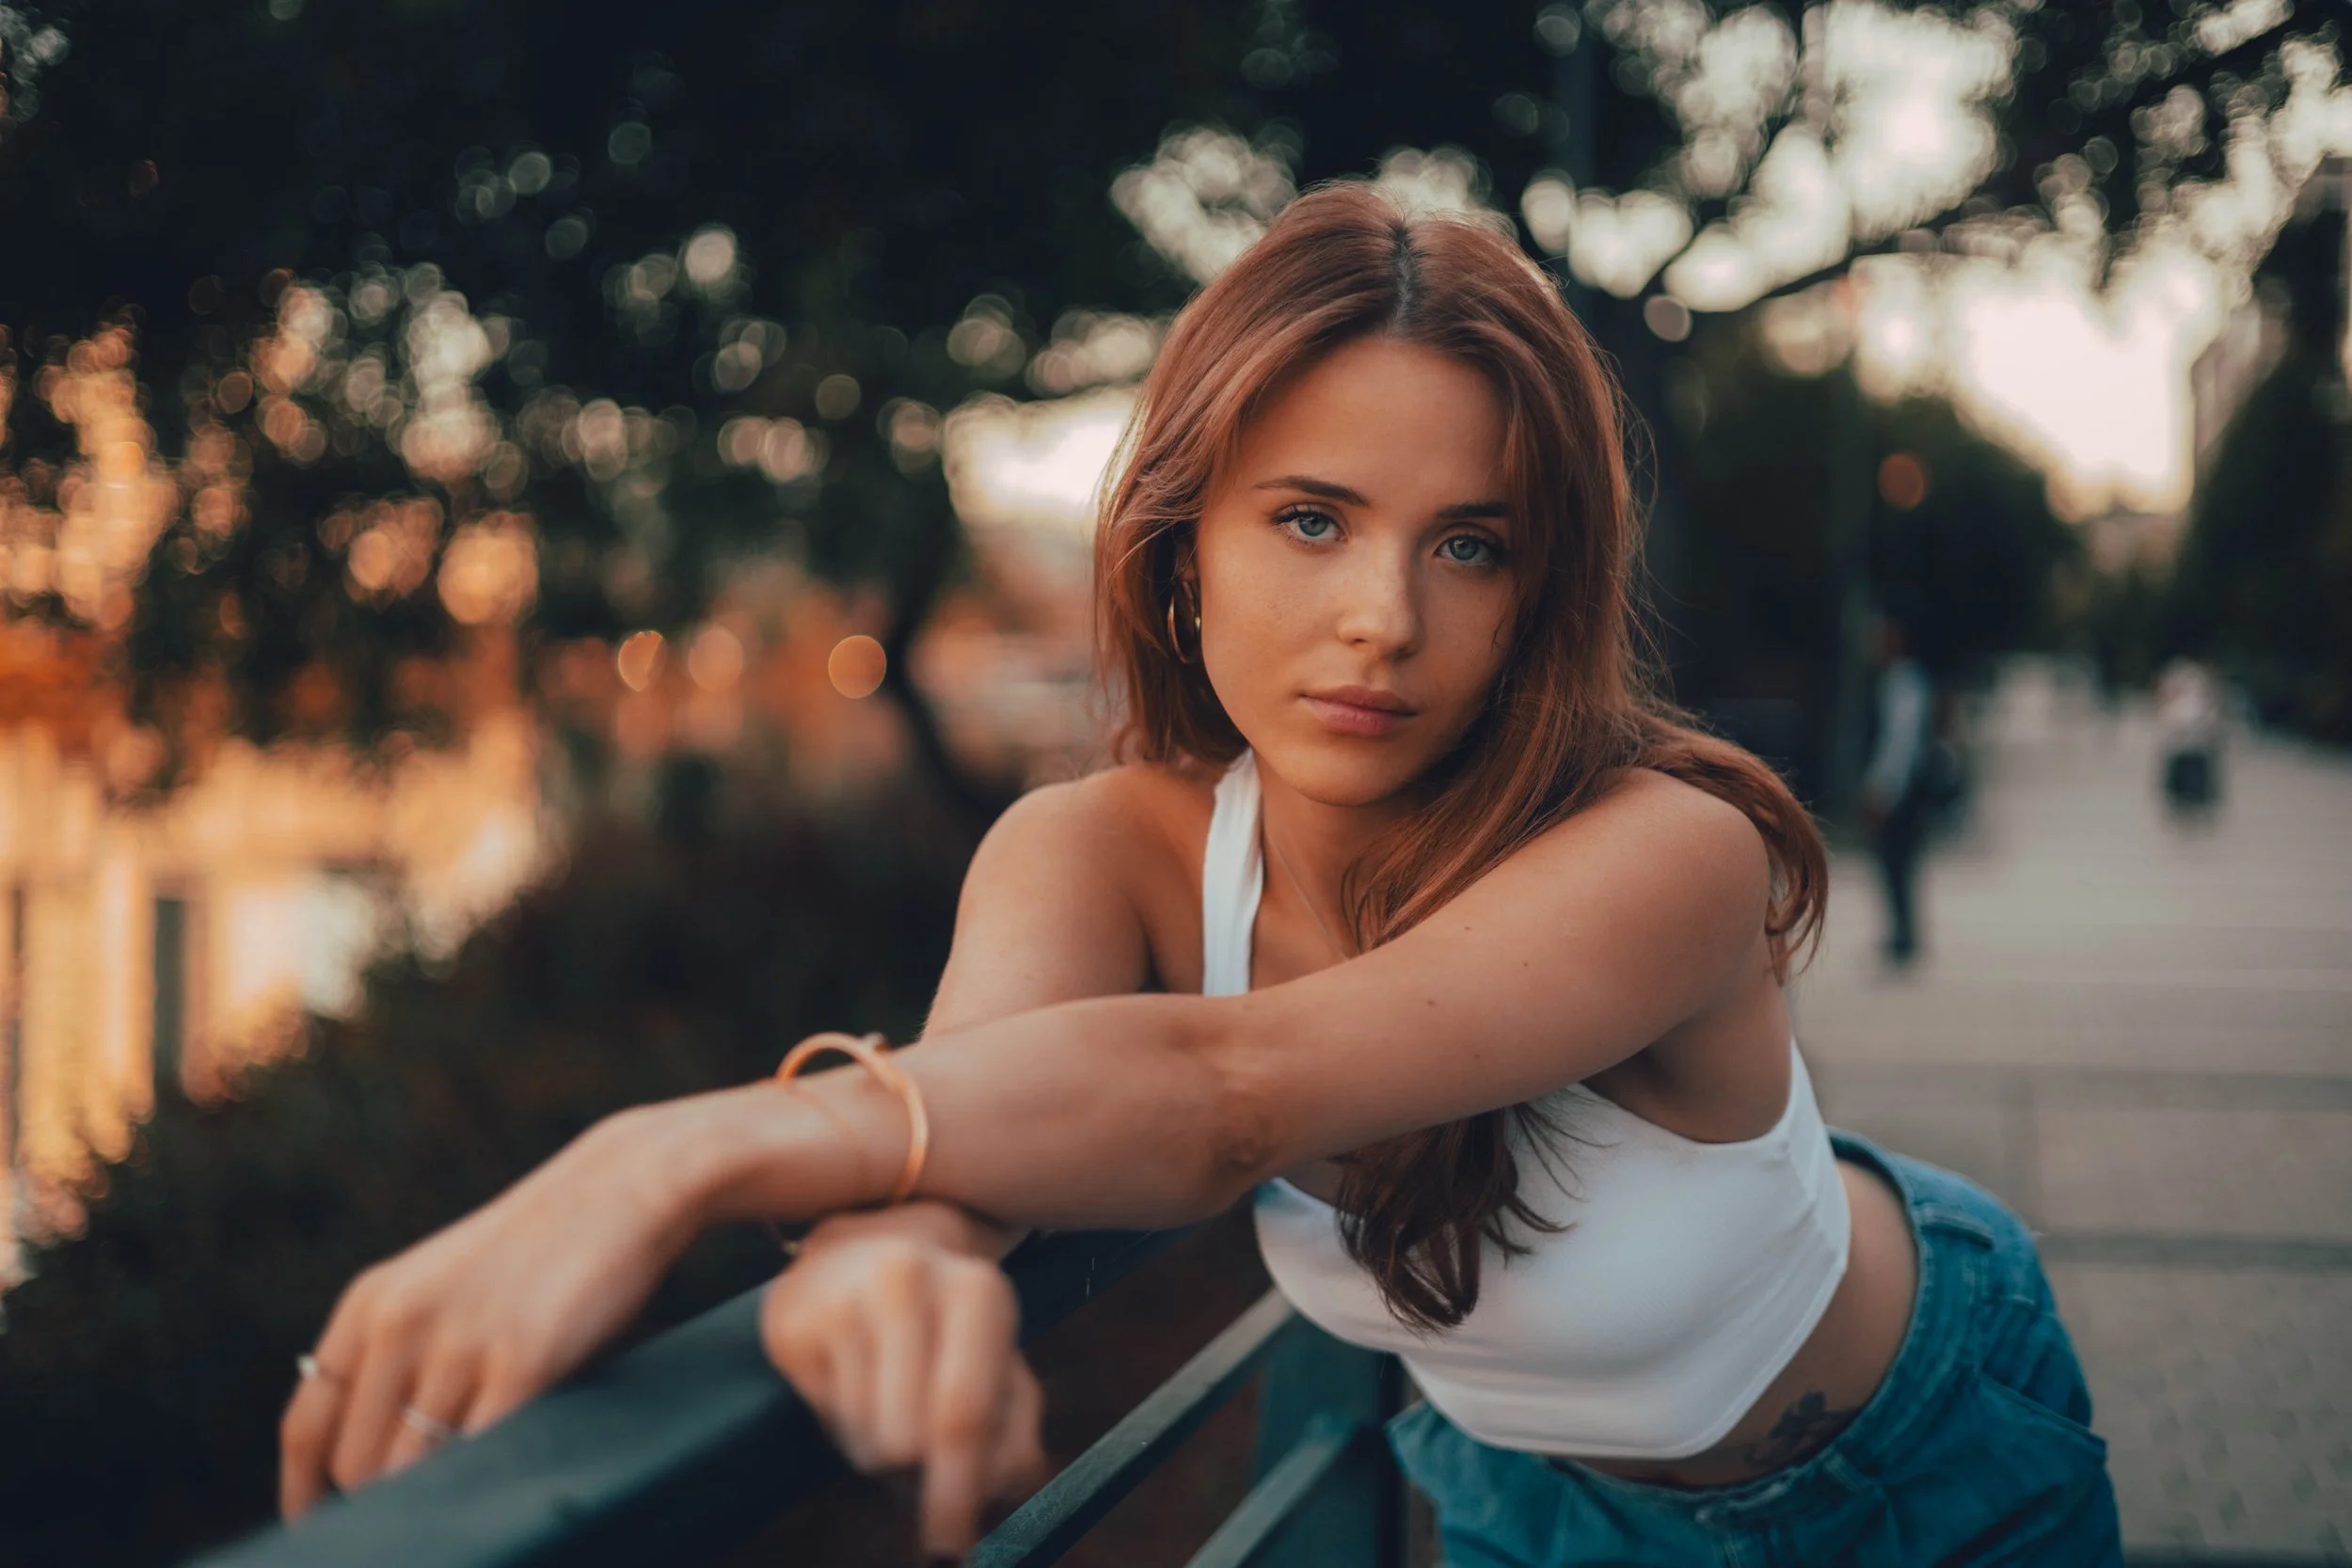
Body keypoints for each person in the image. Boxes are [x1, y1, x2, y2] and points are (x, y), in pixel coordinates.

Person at [278, 185, 2122, 1566]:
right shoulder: (1104, 844)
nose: (1378, 619)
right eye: (1308, 518)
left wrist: (664, 1150)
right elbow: (969, 1105)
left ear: (1540, 585)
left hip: (1912, 1456)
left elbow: (1221, 1088)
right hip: (1526, 1505)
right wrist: (897, 1255)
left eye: (1466, 544)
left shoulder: (1664, 850)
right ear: (1180, 553)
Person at [1858, 610, 1937, 967]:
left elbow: (1899, 743)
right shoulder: (1897, 680)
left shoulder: (1903, 683)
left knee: (1897, 863)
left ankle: (1904, 935)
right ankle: (1902, 932)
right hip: (1903, 791)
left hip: (1902, 793)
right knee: (1895, 865)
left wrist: (1882, 791)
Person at [2153, 657, 2224, 818]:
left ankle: (2194, 802)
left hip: (2194, 745)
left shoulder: (2193, 691)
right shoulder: (2179, 696)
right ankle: (2183, 802)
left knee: (2193, 777)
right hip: (2182, 745)